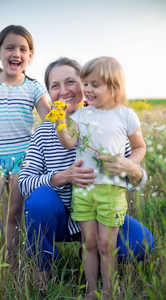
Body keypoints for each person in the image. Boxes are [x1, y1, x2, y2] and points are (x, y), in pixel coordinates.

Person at [18, 57, 153, 291]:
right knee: (40, 201)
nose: (63, 91)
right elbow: (24, 183)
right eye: (55, 86)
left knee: (141, 244)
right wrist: (61, 177)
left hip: (102, 210)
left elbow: (136, 175)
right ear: (49, 92)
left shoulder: (110, 119)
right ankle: (44, 269)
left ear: (85, 84)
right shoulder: (43, 132)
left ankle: (92, 258)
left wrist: (131, 169)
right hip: (60, 218)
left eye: (71, 82)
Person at [55, 57, 146, 298]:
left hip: (110, 191)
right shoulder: (80, 116)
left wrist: (129, 163)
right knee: (90, 242)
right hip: (83, 190)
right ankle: (92, 291)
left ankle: (109, 292)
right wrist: (60, 121)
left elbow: (139, 148)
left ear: (114, 87)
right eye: (85, 83)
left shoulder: (126, 116)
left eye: (95, 84)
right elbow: (68, 143)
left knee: (107, 244)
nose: (87, 89)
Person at [0, 25, 51, 257]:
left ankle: (11, 260)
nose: (16, 53)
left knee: (14, 213)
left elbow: (51, 120)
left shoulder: (34, 87)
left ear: (30, 56)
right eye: (9, 48)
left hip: (23, 160)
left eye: (23, 49)